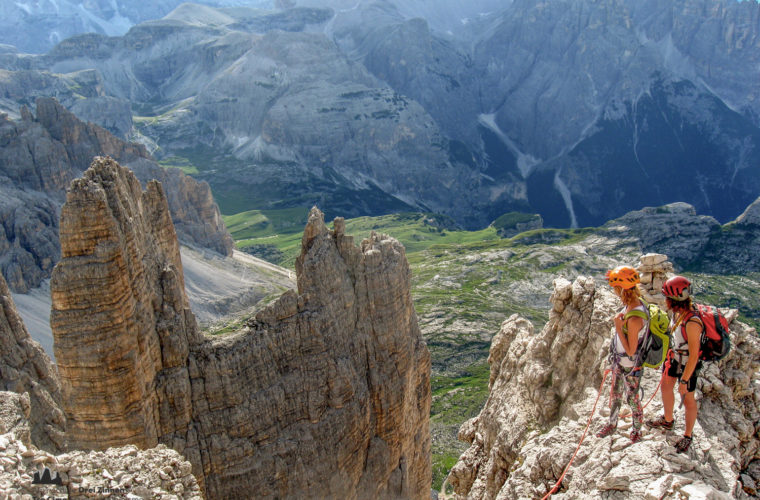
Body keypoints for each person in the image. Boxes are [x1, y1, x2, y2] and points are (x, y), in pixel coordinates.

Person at [646, 275, 702, 453]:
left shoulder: (692, 322)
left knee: (688, 400)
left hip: (687, 364)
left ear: (673, 299)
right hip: (674, 358)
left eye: (666, 297)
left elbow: (694, 355)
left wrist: (685, 380)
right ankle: (668, 420)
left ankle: (687, 435)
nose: (665, 300)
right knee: (665, 387)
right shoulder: (679, 314)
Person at [597, 266, 648, 443]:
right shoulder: (631, 305)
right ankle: (612, 424)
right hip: (621, 361)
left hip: (630, 364)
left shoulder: (635, 318)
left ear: (621, 289)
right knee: (616, 394)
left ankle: (636, 430)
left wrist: (619, 328)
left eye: (615, 288)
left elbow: (631, 350)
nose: (614, 292)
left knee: (632, 398)